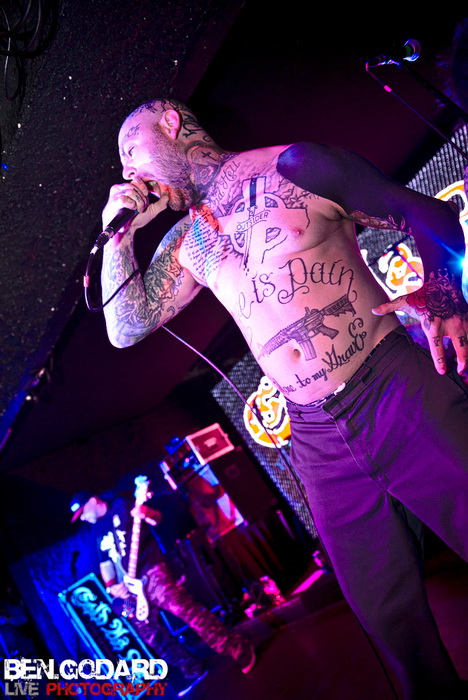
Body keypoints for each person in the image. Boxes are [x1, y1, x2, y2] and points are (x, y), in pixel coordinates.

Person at [99, 97, 468, 700]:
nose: (127, 170)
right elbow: (124, 325)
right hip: (316, 437)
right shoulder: (188, 242)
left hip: (389, 385)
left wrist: (447, 297)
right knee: (387, 614)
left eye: (131, 149)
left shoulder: (295, 167)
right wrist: (119, 235)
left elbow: (424, 211)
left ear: (171, 122)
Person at [70, 489, 256, 694]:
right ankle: (192, 668)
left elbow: (156, 518)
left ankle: (236, 647)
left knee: (185, 610)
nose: (83, 518)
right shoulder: (97, 531)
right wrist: (112, 586)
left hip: (151, 571)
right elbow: (105, 564)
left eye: (83, 512)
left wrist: (146, 513)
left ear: (93, 501)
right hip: (130, 589)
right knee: (149, 634)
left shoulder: (121, 504)